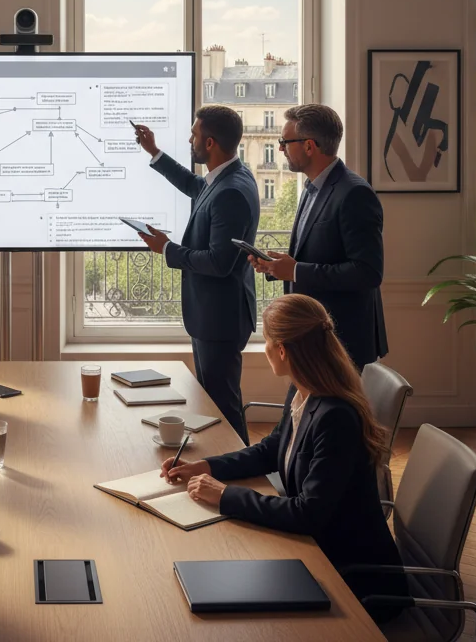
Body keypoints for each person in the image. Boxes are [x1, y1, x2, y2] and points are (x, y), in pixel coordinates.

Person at [160, 293, 404, 622]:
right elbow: (273, 449)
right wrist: (205, 466)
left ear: (283, 350)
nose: (264, 347)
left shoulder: (335, 417)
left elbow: (307, 514)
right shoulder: (304, 389)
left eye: (266, 339)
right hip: (313, 551)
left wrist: (225, 495)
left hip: (350, 580)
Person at [134, 105, 260, 444]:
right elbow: (193, 186)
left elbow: (220, 263)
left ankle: (239, 472)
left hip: (220, 318)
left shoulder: (231, 191)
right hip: (215, 315)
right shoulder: (228, 176)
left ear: (210, 143)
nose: (189, 139)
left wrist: (167, 249)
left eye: (194, 134)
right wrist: (155, 153)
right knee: (215, 401)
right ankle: (223, 465)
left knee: (223, 405)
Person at [247, 103, 388, 370]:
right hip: (310, 340)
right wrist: (278, 267)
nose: (280, 149)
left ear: (309, 146)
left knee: (330, 414)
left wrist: (297, 270)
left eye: (285, 142)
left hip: (342, 341)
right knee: (298, 412)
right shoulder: (310, 187)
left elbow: (367, 272)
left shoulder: (355, 193)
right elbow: (316, 255)